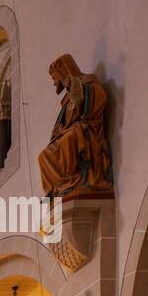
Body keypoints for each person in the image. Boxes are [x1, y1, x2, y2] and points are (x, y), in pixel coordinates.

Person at [37, 53, 113, 199]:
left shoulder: (88, 83)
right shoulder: (67, 97)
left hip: (87, 127)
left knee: (70, 138)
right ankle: (57, 190)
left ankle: (75, 180)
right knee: (43, 155)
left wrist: (75, 87)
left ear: (62, 72)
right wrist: (58, 130)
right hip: (70, 130)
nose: (54, 83)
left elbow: (94, 103)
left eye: (55, 78)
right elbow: (64, 120)